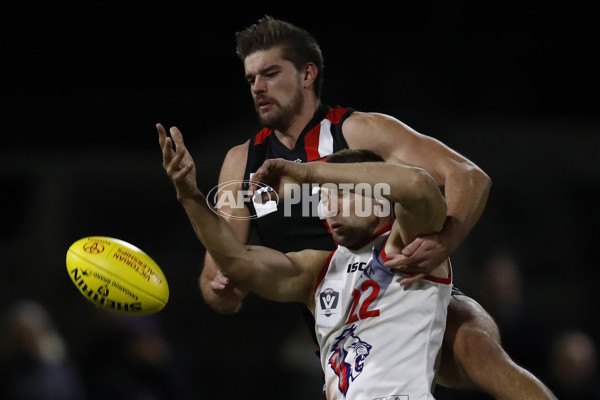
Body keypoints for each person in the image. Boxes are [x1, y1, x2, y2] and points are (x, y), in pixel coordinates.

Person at [173, 15, 556, 399]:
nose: (258, 87)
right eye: (251, 79)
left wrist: (444, 240)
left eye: (270, 73)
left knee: (473, 343)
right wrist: (222, 289)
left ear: (308, 74)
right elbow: (219, 276)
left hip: (398, 280)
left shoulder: (360, 131)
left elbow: (467, 176)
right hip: (325, 304)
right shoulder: (242, 163)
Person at [159, 129, 452, 398]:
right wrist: (189, 196)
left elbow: (419, 185)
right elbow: (238, 261)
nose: (329, 208)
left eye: (340, 194)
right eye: (323, 198)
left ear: (379, 200)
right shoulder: (318, 270)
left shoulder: (410, 244)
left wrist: (309, 172)